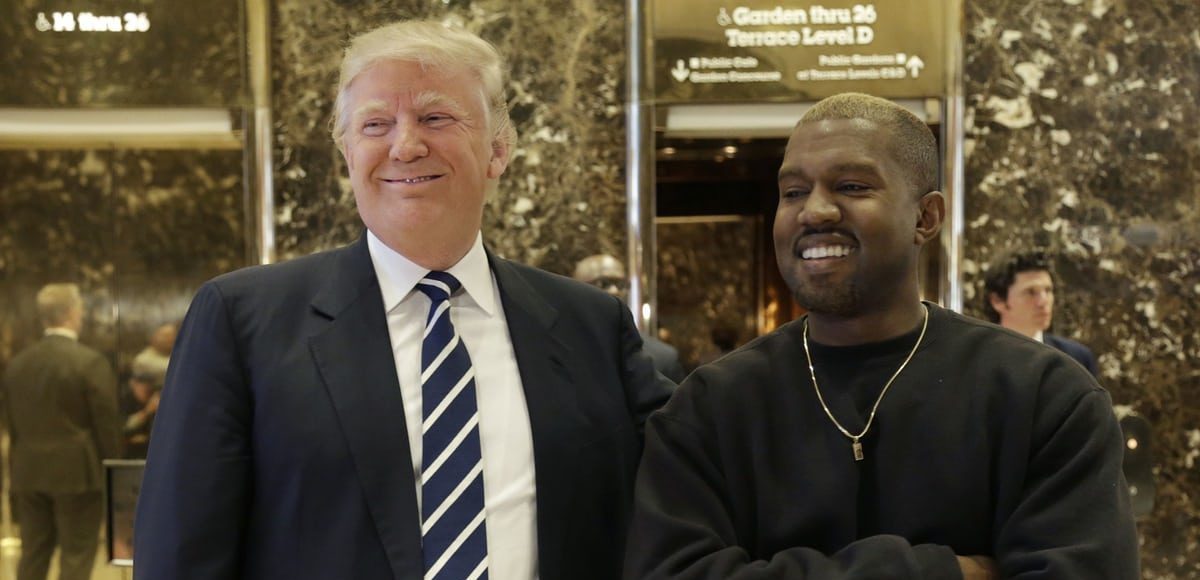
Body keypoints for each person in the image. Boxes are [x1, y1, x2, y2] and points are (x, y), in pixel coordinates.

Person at [133, 20, 673, 580]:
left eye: (436, 117)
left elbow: (692, 479)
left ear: (499, 150)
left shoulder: (591, 327)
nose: (406, 145)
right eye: (375, 124)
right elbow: (180, 555)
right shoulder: (242, 321)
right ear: (346, 154)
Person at [624, 93, 1139, 579]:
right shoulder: (710, 409)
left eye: (851, 187)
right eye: (794, 192)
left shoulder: (1044, 397)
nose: (814, 211)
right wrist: (941, 573)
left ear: (926, 216)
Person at [1, 283, 122, 580]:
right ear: (70, 313)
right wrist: (114, 470)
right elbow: (106, 425)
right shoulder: (90, 362)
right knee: (77, 555)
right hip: (77, 473)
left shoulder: (17, 364)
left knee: (33, 553)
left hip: (28, 471)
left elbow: (11, 423)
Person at [983, 249, 1100, 376]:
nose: (1043, 301)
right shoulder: (978, 359)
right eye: (1031, 292)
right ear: (997, 301)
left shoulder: (1076, 358)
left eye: (1048, 290)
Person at [573, 254, 687, 382]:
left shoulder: (663, 358)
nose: (615, 291)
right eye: (604, 283)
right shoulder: (559, 349)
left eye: (621, 284)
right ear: (575, 289)